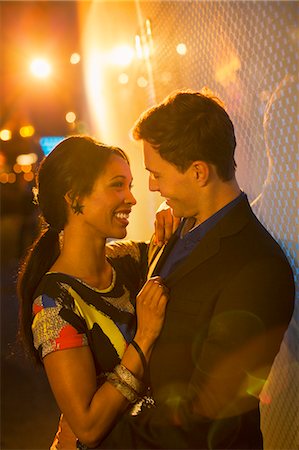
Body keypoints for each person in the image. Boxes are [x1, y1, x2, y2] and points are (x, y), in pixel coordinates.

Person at [95, 89, 295, 449]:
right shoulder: (180, 226)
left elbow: (207, 412)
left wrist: (101, 435)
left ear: (199, 172)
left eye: (157, 174)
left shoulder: (258, 268)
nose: (152, 186)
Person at [17, 135, 169, 449]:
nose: (131, 198)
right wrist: (143, 340)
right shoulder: (52, 303)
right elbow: (87, 426)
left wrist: (172, 219)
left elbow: (164, 249)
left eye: (130, 185)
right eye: (117, 185)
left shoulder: (129, 262)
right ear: (75, 199)